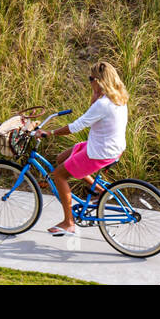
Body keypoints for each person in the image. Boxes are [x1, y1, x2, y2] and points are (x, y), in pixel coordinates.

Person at [35, 61, 129, 237]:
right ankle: (99, 192)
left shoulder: (102, 104)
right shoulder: (118, 98)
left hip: (100, 152)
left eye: (90, 79)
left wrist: (50, 133)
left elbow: (76, 126)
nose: (89, 82)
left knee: (59, 175)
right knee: (62, 158)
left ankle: (68, 223)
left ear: (99, 81)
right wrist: (94, 98)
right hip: (109, 147)